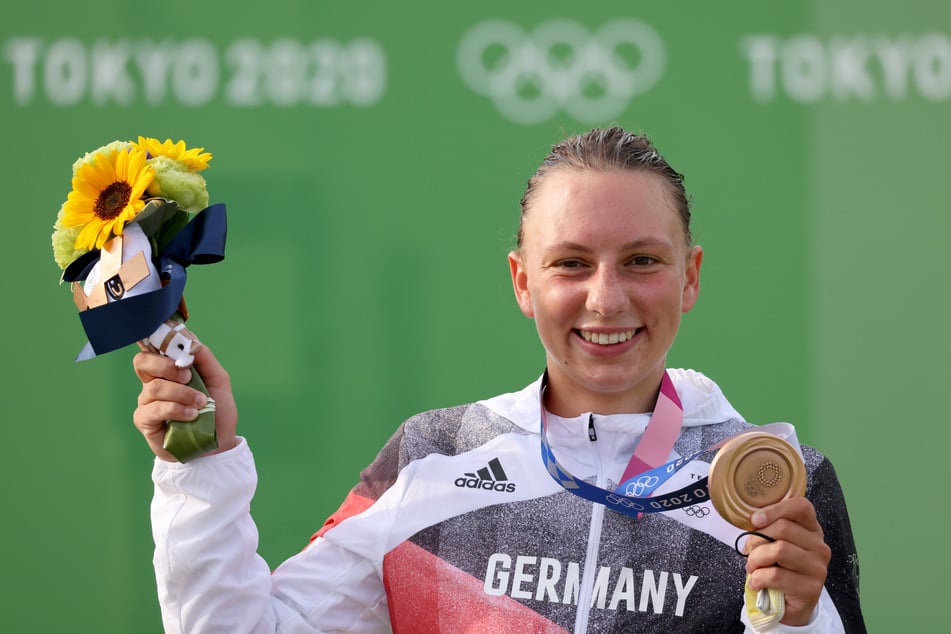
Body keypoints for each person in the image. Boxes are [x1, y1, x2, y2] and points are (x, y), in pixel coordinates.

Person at [133, 127, 865, 633]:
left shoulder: (781, 485)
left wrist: (798, 621)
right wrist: (200, 470)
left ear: (690, 276)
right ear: (522, 281)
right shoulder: (432, 458)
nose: (605, 299)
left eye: (641, 260)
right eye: (570, 263)